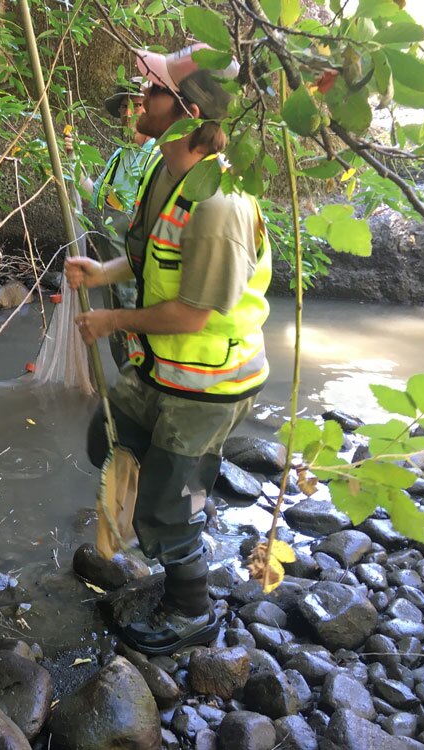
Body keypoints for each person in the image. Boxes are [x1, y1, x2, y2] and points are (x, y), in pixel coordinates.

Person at [65, 44, 272, 655]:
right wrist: (98, 275)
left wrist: (112, 321)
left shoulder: (220, 203)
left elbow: (194, 311)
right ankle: (171, 510)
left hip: (210, 383)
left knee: (167, 508)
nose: (138, 97)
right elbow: (144, 256)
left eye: (151, 90)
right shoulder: (165, 168)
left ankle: (190, 607)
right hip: (162, 368)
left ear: (186, 111)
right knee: (105, 438)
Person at [66, 77, 157, 365]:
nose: (128, 113)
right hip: (113, 276)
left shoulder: (159, 157)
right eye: (123, 108)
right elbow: (93, 197)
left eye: (137, 105)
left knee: (145, 360)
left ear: (150, 109)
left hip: (144, 286)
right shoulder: (120, 156)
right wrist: (74, 158)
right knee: (123, 354)